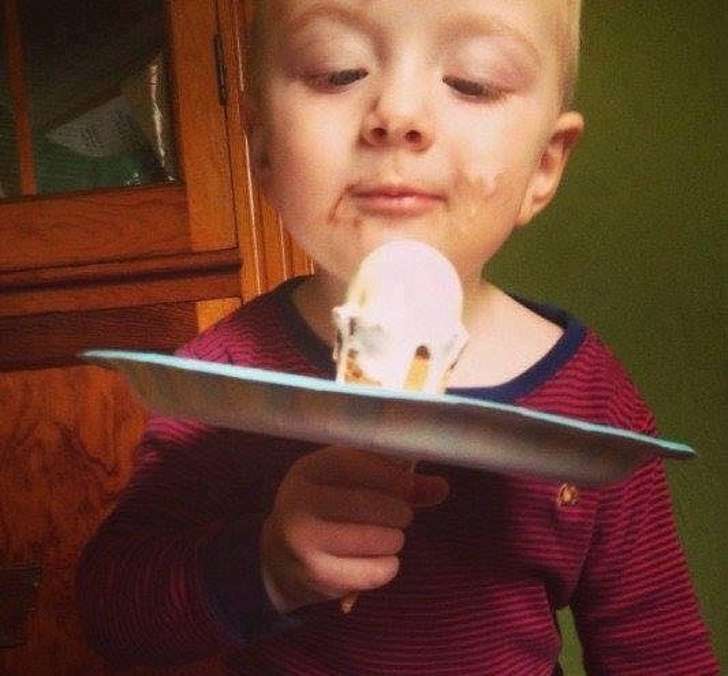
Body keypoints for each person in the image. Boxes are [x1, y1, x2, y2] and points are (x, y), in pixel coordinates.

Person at [76, 0, 719, 673]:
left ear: (545, 166)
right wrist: (267, 566)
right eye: (338, 72)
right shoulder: (220, 379)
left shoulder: (592, 399)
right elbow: (114, 612)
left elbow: (658, 646)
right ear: (261, 145)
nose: (398, 115)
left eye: (472, 82)